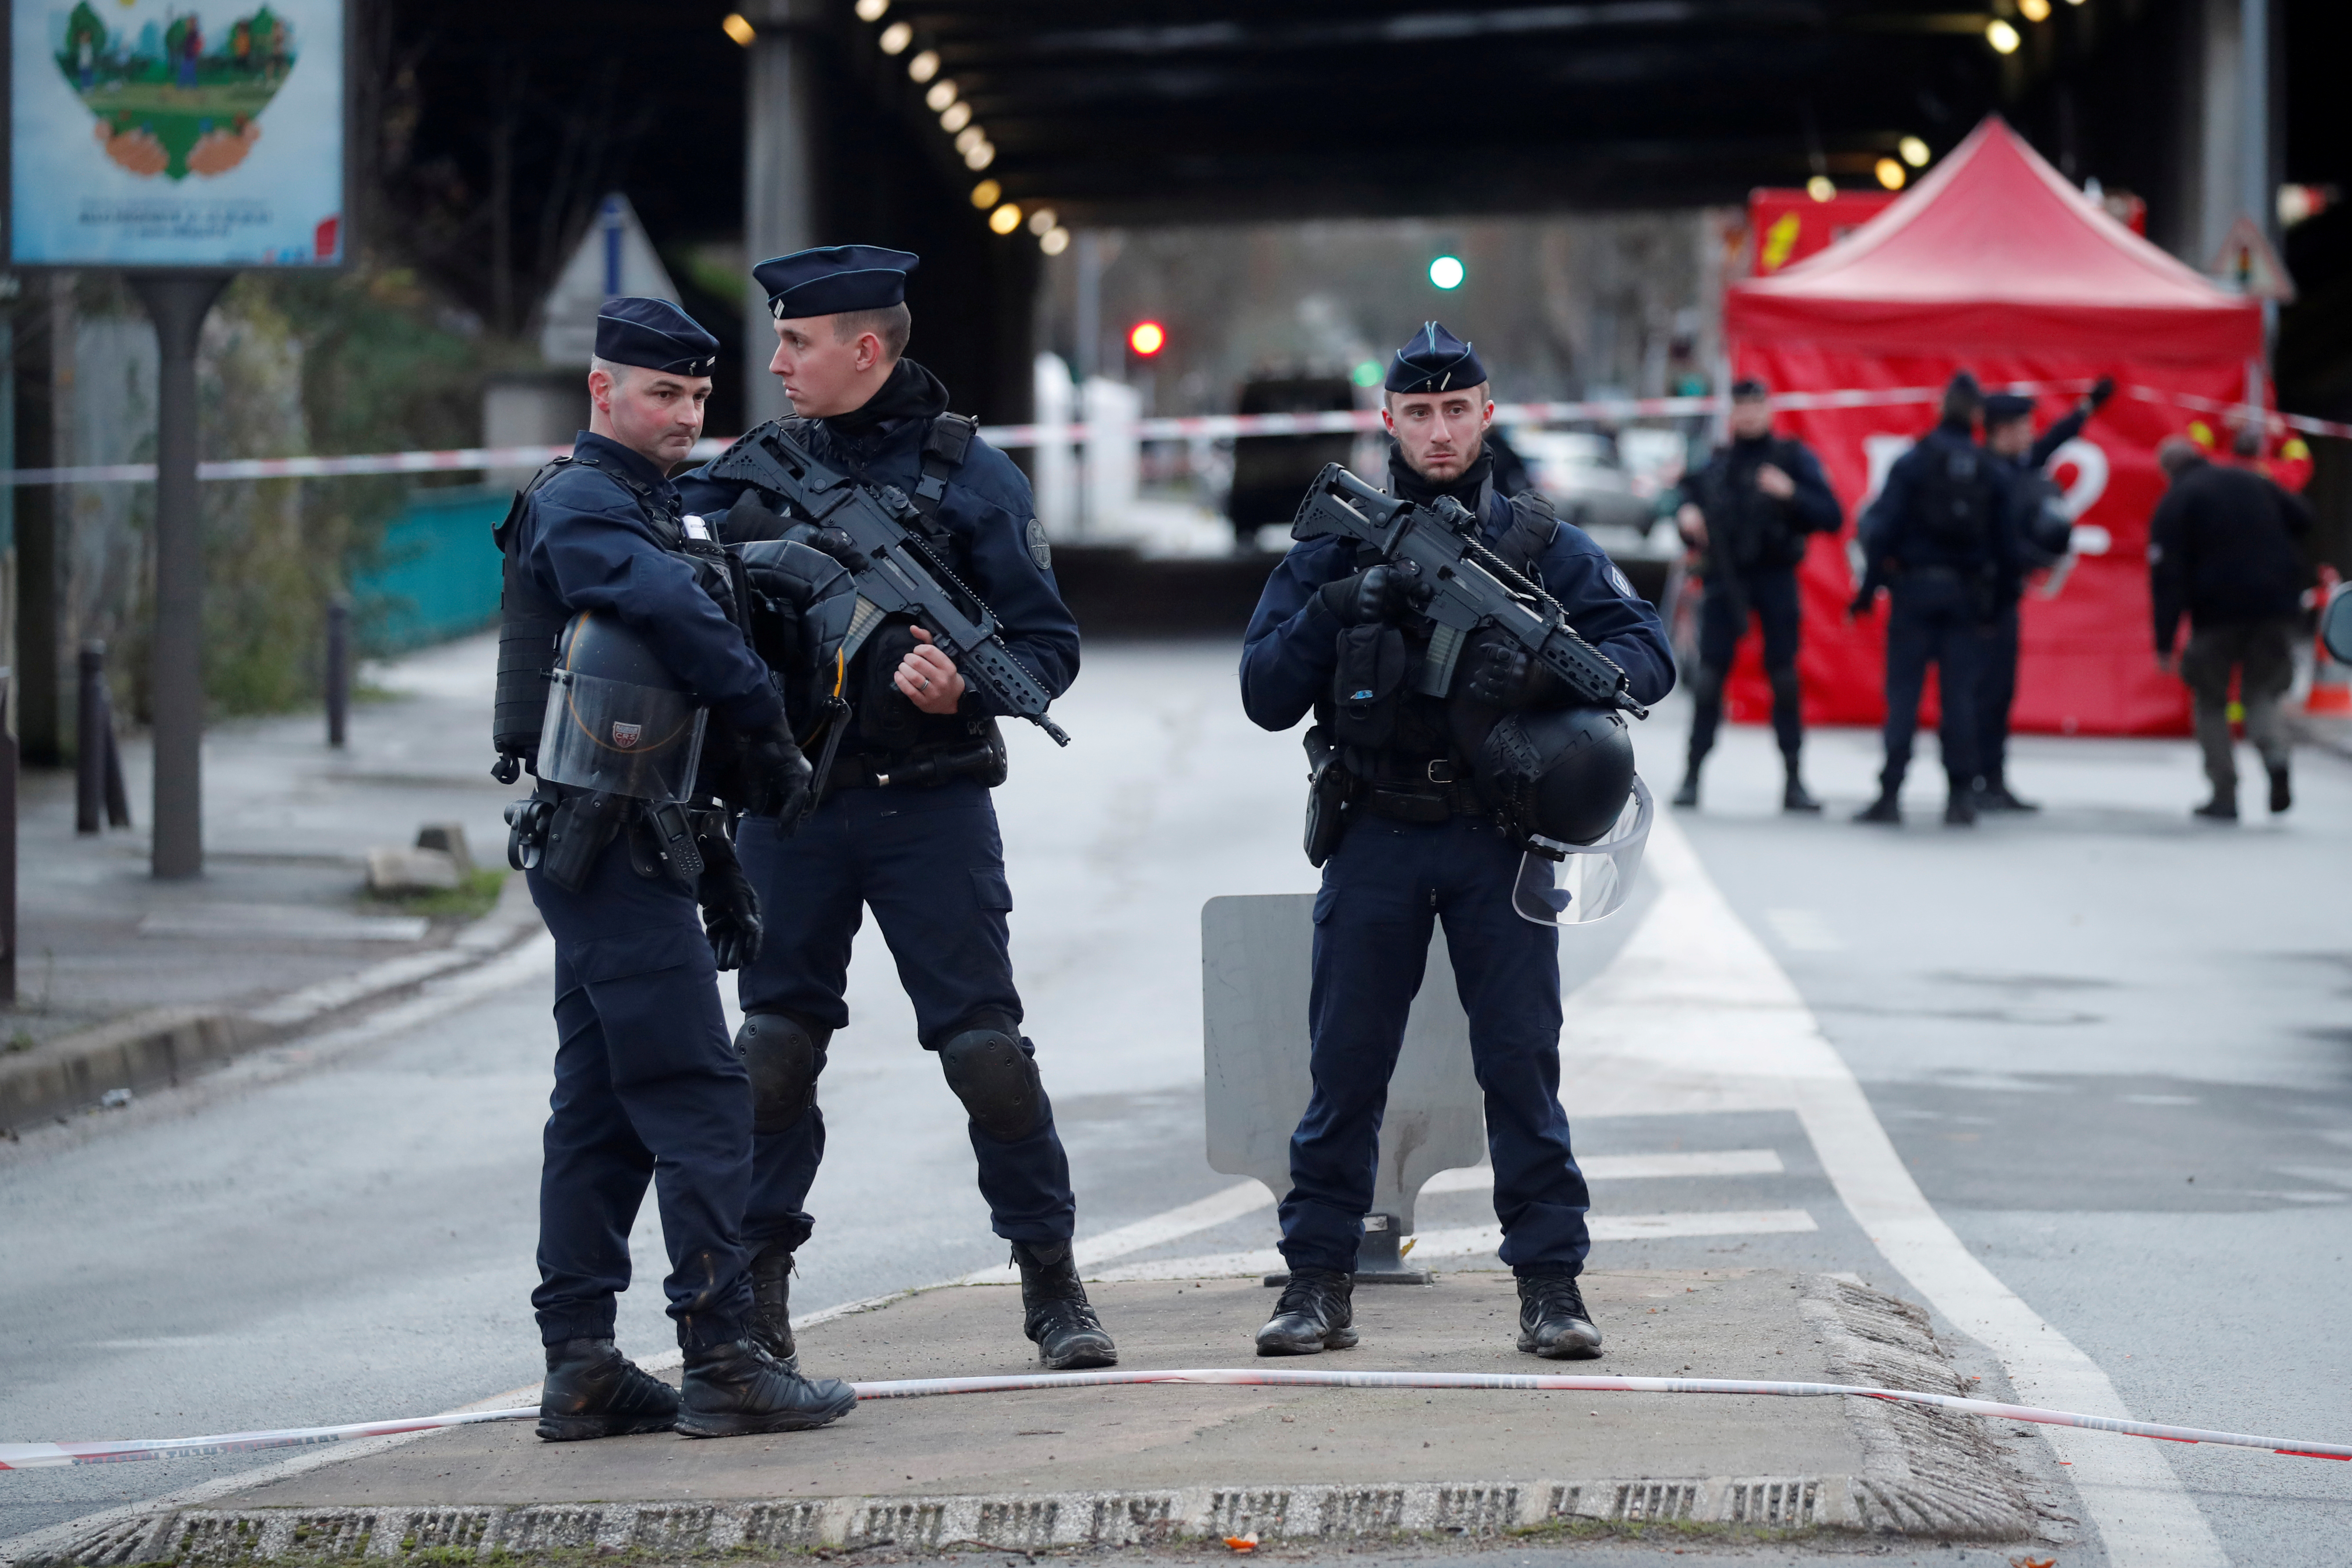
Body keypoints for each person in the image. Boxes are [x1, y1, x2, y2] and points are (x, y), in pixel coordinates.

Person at [674, 246, 1114, 1373]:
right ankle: (757, 1293)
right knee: (771, 1051)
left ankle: (1051, 1278)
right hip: (792, 802)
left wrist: (967, 682)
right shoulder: (754, 469)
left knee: (986, 1052)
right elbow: (666, 568)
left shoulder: (973, 476)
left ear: (864, 348)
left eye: (797, 344)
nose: (774, 362)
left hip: (930, 804)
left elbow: (1049, 646)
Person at [1236, 322, 1674, 1361]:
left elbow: (1643, 657)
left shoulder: (1538, 545)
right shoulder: (1338, 542)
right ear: (1387, 421)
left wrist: (1536, 672)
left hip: (1494, 838)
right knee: (1345, 1068)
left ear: (1486, 413)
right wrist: (1338, 607)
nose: (1438, 431)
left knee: (1520, 1065)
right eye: (1418, 413)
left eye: (1456, 410)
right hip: (1376, 827)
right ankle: (1316, 1282)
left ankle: (1551, 1286)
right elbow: (1262, 692)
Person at [499, 298, 856, 1441]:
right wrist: (759, 711)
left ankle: (584, 1363)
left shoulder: (655, 506)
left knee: (602, 1102)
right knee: (703, 1094)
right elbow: (655, 603)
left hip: (639, 833)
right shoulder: (581, 505)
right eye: (664, 394)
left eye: (699, 396)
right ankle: (722, 1353)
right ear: (602, 392)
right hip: (606, 842)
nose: (685, 414)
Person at [1850, 372, 2018, 827]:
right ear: (1978, 416)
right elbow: (2009, 548)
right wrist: (1995, 607)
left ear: (1941, 407)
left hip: (1913, 594)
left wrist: (1868, 591)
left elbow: (1880, 530)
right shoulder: (1989, 470)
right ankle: (1959, 797)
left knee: (1903, 697)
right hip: (1965, 598)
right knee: (1959, 699)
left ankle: (1889, 794)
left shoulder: (1914, 462)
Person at [1669, 377, 1841, 812]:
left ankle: (1793, 780)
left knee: (1783, 679)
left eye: (1754, 406)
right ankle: (1691, 776)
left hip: (1775, 579)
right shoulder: (1717, 463)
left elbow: (1831, 515)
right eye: (1740, 406)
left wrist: (1791, 494)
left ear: (1768, 410)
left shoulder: (1791, 459)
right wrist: (1685, 514)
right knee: (1709, 680)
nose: (1747, 414)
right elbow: (1682, 499)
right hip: (1725, 582)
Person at [2148, 435, 2313, 820]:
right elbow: (2304, 517)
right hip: (2274, 607)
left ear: (2168, 471)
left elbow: (2166, 578)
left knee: (2210, 700)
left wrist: (2163, 641)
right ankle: (2276, 762)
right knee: (2262, 694)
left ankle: (2224, 793)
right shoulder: (2251, 481)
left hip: (2216, 615)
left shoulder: (2176, 502)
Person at [1972, 378, 2112, 811]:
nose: (2030, 434)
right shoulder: (1979, 472)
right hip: (1976, 600)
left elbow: (2055, 439)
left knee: (1999, 693)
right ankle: (1967, 780)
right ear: (1999, 430)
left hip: (2006, 598)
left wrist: (2087, 408)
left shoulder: (2020, 464)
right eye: (2022, 426)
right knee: (1972, 693)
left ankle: (1992, 779)